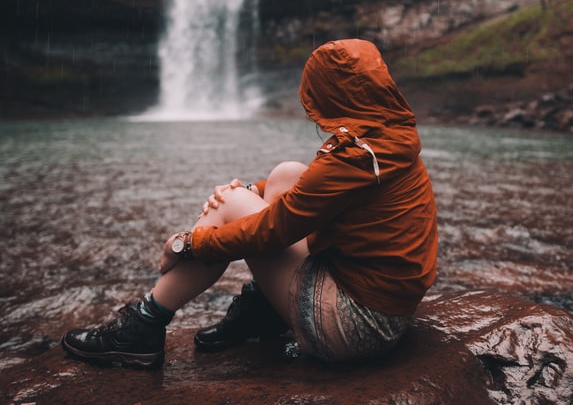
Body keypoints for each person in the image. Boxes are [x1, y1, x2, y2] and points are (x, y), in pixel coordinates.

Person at [61, 39, 438, 370]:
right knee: (285, 173)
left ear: (326, 93)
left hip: (357, 328)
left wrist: (187, 243)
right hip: (386, 315)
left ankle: (143, 325)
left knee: (232, 206)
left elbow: (271, 232)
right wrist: (249, 190)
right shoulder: (388, 137)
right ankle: (263, 312)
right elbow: (313, 190)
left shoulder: (355, 156)